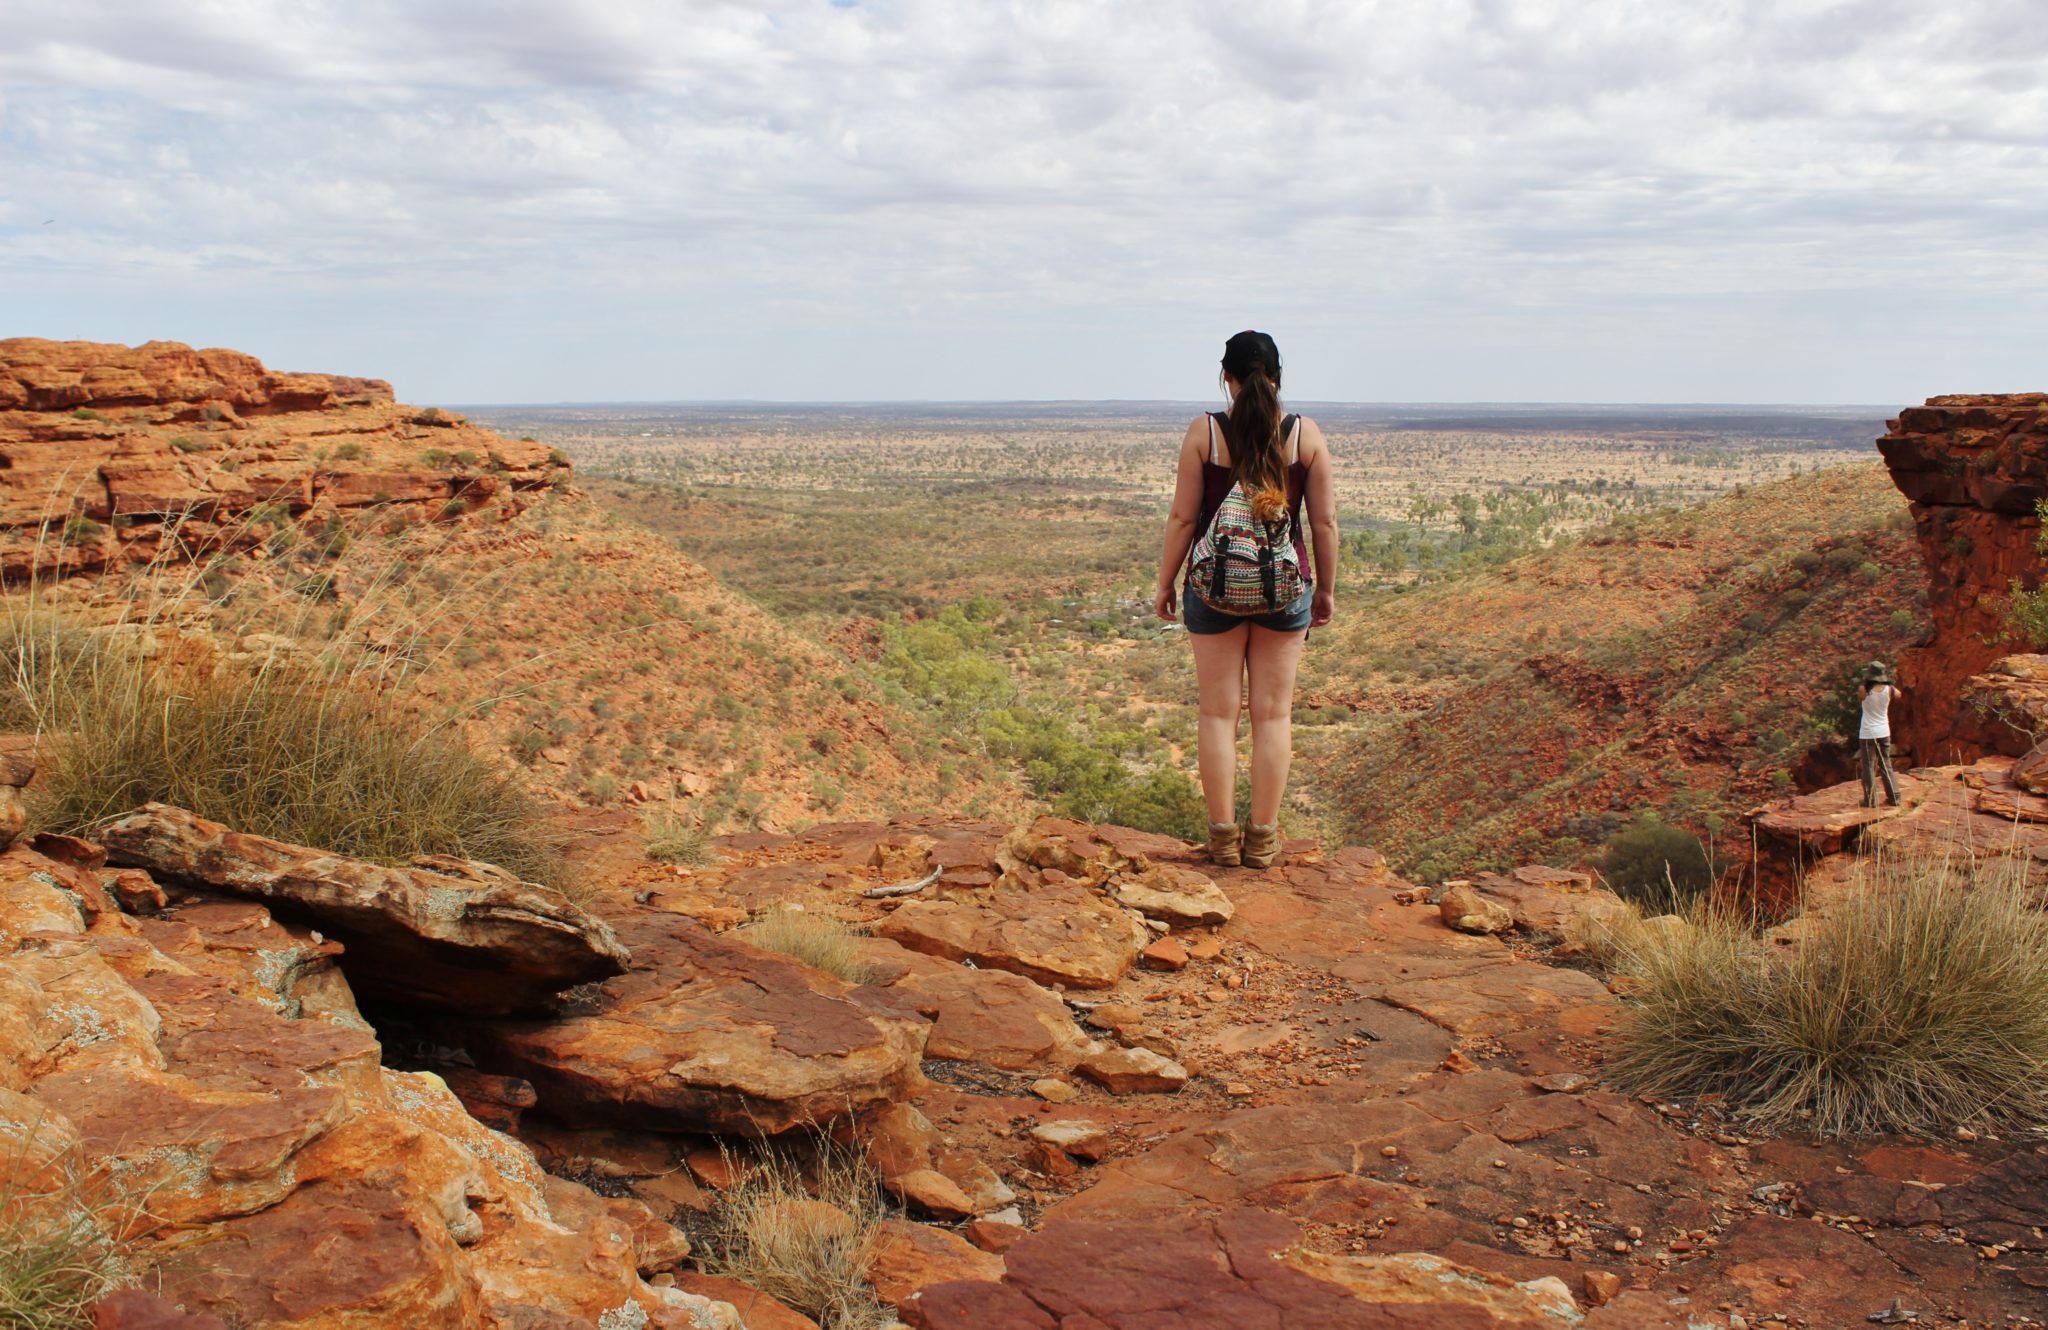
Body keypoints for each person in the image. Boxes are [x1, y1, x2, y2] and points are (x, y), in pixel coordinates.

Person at [1153, 331, 1336, 869]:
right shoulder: (1303, 437)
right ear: (1278, 377)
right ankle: (1262, 841)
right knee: (1273, 716)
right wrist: (1323, 588)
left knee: (1217, 714)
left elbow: (1184, 518)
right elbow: (1322, 522)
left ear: (1225, 377)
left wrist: (1165, 582)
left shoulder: (1206, 433)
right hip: (1284, 592)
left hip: (1212, 591)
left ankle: (1222, 840)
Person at [1857, 661, 1903, 808]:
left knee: (1868, 767)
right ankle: (1894, 797)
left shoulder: (1863, 689)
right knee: (1886, 764)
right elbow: (1899, 695)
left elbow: (1861, 699)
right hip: (1884, 732)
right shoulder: (1889, 689)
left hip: (1867, 733)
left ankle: (1870, 800)